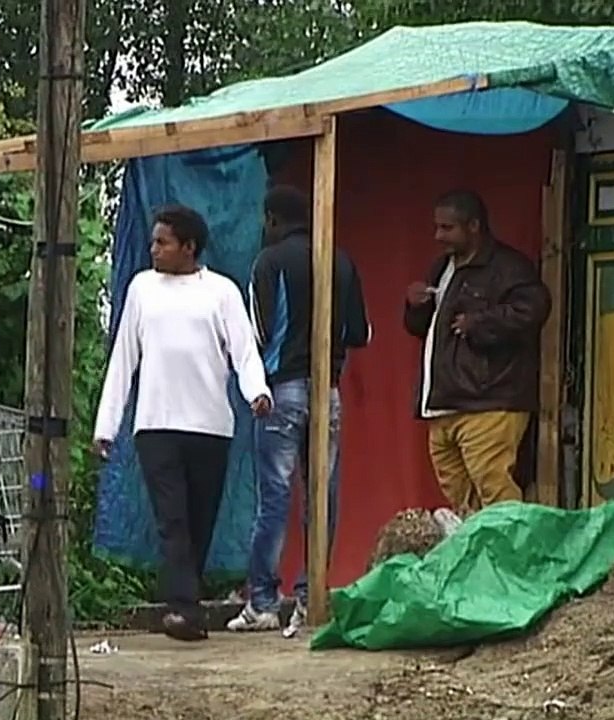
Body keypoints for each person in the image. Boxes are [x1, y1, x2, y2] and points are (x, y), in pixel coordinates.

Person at [93, 204, 272, 642]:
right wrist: (106, 426)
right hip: (156, 426)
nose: (154, 249)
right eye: (153, 241)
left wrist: (257, 392)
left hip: (210, 426)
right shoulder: (141, 290)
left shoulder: (222, 292)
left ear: (189, 248)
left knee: (199, 519)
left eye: (163, 242)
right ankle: (184, 609)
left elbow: (244, 351)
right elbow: (123, 359)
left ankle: (187, 605)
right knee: (172, 518)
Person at [228, 184, 371, 635]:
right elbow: (361, 332)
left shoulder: (268, 262)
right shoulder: (341, 260)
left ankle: (264, 604)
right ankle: (311, 599)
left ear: (271, 219)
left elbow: (260, 333)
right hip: (327, 390)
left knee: (274, 497)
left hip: (283, 390)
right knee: (321, 497)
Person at [404, 189, 550, 512]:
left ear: (474, 225)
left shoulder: (508, 268)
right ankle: (480, 559)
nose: (438, 236)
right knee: (463, 503)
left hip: (489, 401)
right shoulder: (442, 267)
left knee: (495, 491)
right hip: (444, 405)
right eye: (437, 227)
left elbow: (534, 309)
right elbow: (423, 329)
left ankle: (513, 559)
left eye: (447, 228)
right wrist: (415, 307)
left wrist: (481, 323)